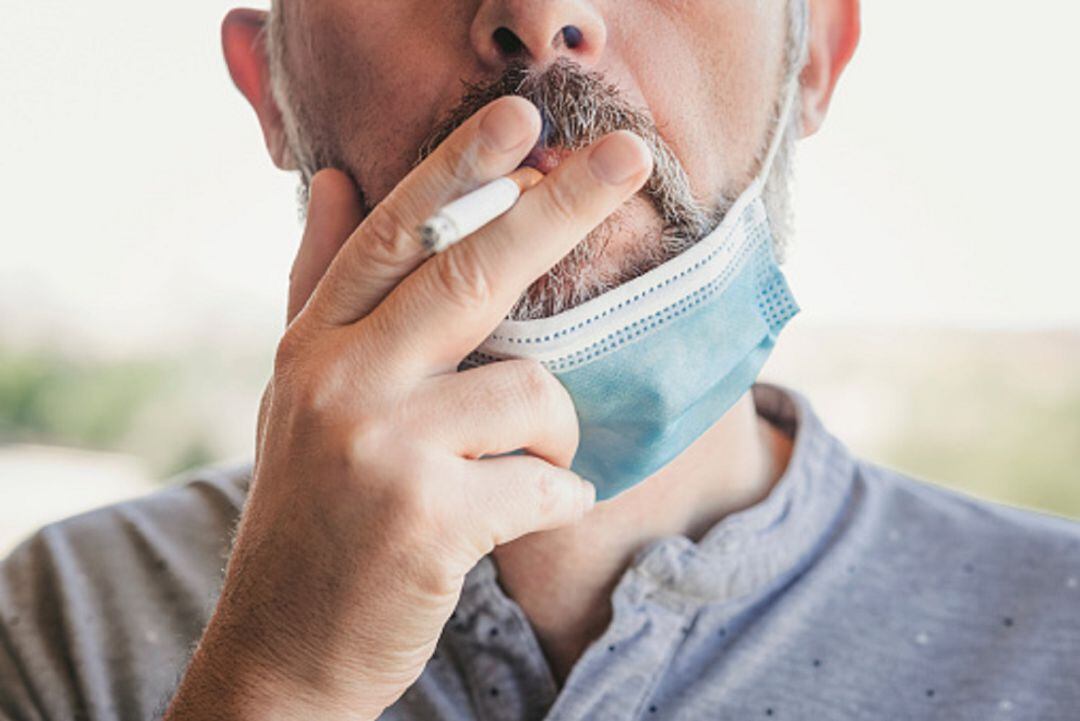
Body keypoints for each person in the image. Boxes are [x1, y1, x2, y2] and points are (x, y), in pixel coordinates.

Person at [2, 1, 1078, 719]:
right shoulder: (62, 621)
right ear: (270, 87)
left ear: (816, 63)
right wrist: (279, 681)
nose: (539, 10)